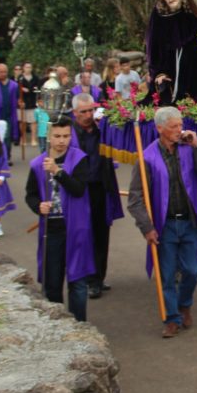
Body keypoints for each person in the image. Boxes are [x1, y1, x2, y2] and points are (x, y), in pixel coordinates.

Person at [127, 107, 197, 337]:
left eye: (180, 125)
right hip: (164, 226)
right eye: (174, 126)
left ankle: (184, 303)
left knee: (192, 270)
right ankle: (171, 318)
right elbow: (136, 198)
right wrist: (146, 227)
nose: (180, 130)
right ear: (160, 129)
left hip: (188, 222)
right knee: (166, 275)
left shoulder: (189, 149)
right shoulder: (147, 157)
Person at [25, 115, 95, 322]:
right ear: (49, 136)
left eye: (66, 135)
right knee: (52, 282)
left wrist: (57, 172)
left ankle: (79, 325)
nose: (62, 140)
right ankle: (58, 325)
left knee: (78, 282)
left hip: (75, 226)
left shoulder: (79, 158)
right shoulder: (38, 163)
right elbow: (30, 194)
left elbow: (79, 189)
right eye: (57, 136)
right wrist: (38, 206)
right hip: (52, 228)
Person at [71, 93, 123, 299]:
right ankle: (88, 279)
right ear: (75, 113)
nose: (88, 115)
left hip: (101, 188)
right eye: (83, 112)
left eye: (90, 110)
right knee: (84, 235)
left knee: (102, 234)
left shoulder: (102, 130)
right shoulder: (69, 133)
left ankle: (98, 278)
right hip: (79, 191)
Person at [18, 62, 40, 147]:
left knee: (33, 121)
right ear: (23, 68)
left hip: (32, 102)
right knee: (22, 122)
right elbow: (17, 88)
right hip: (23, 101)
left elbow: (37, 88)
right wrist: (21, 89)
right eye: (27, 67)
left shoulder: (35, 78)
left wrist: (30, 90)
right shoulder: (20, 77)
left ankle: (33, 139)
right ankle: (22, 138)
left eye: (30, 67)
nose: (28, 69)